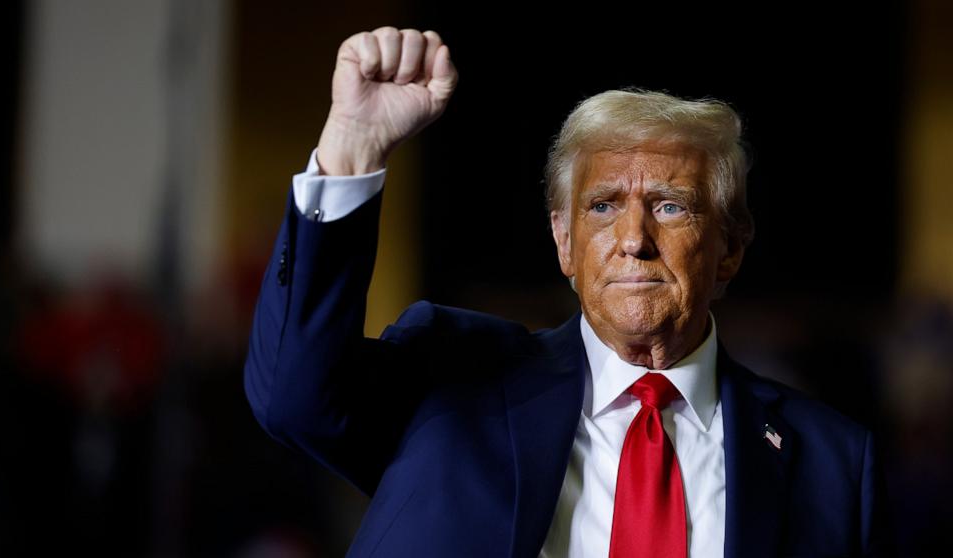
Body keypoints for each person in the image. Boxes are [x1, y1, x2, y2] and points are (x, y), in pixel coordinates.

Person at [243, 26, 893, 558]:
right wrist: (353, 146)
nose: (633, 238)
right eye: (604, 206)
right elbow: (292, 400)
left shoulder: (833, 465)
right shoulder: (451, 377)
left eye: (670, 207)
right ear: (563, 241)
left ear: (730, 247)